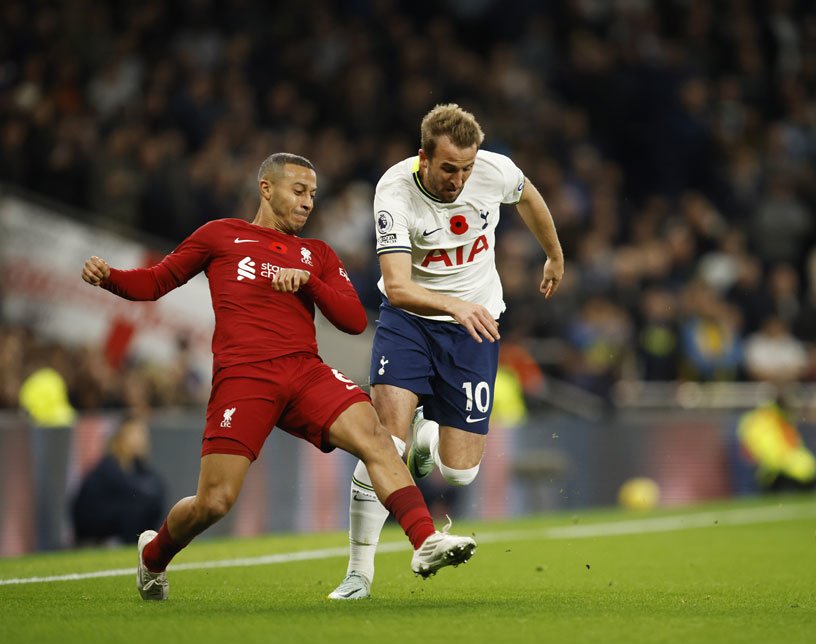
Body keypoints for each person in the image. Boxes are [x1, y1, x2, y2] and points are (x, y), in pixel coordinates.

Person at [81, 152, 476, 601]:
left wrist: (309, 280)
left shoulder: (317, 254)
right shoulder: (221, 235)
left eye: (313, 195)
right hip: (244, 378)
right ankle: (154, 555)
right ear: (266, 188)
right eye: (299, 191)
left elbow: (352, 320)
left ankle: (424, 541)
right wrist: (110, 278)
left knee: (377, 437)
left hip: (306, 371)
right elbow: (156, 282)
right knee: (214, 502)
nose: (308, 202)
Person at [330, 104, 564, 600]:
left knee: (460, 473)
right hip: (410, 322)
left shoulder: (494, 171)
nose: (459, 179)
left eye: (467, 168)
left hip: (473, 329)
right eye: (448, 168)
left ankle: (427, 439)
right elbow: (396, 286)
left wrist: (554, 253)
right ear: (423, 158)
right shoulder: (394, 192)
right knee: (381, 442)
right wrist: (453, 304)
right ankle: (358, 573)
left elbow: (528, 196)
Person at [71, 417, 167, 545]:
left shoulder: (137, 466)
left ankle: (145, 542)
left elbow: (158, 486)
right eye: (135, 434)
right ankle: (119, 543)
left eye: (143, 435)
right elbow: (132, 489)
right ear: (122, 437)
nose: (140, 440)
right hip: (89, 520)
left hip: (111, 516)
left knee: (150, 504)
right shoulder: (110, 464)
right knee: (134, 507)